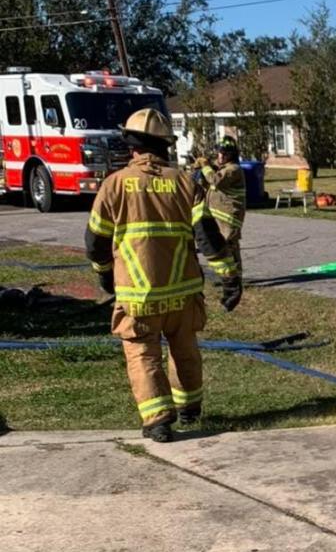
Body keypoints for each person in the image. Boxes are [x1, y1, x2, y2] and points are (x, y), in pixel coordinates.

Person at [86, 108, 242, 443]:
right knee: (185, 349)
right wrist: (230, 277)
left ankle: (158, 421)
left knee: (143, 355)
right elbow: (208, 237)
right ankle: (189, 409)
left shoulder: (114, 185)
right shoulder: (186, 182)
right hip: (183, 292)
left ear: (132, 146)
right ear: (165, 145)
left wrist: (104, 275)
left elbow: (96, 241)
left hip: (137, 297)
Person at [195, 136, 246, 273]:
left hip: (229, 218)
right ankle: (229, 275)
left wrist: (205, 166)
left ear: (232, 155)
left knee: (230, 247)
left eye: (225, 153)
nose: (221, 156)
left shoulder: (233, 169)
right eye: (220, 152)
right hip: (218, 216)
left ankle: (236, 277)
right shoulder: (221, 168)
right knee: (222, 247)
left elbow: (215, 180)